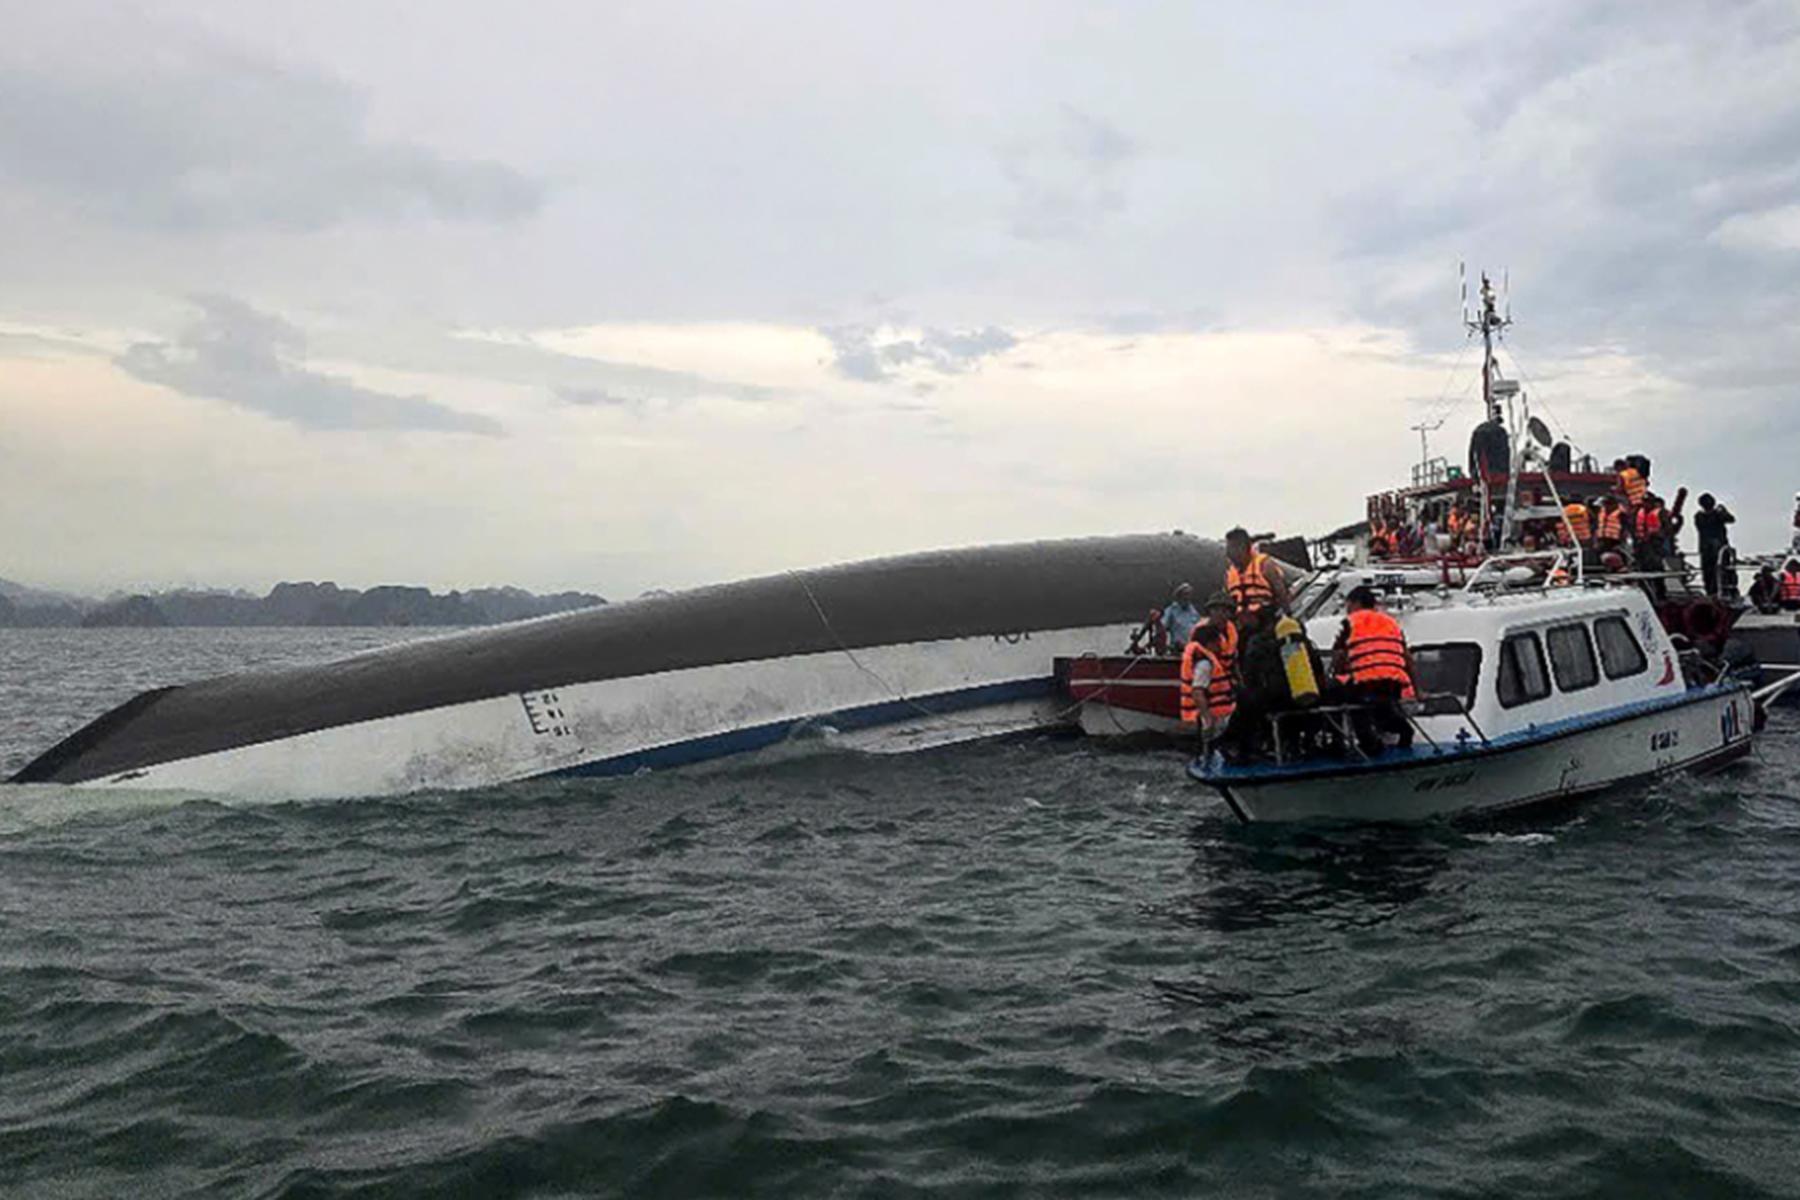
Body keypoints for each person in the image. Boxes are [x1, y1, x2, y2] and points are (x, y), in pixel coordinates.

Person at [1330, 586, 1416, 757]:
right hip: (1394, 682)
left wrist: (1337, 671)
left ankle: (1352, 743)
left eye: (1348, 604)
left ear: (1355, 603)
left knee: (1341, 698)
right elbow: (1408, 658)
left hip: (1366, 681)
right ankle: (1404, 730)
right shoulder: (1391, 623)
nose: (1347, 609)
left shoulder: (1350, 622)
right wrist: (1417, 689)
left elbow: (1339, 656)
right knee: (1383, 709)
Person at [1223, 527, 1290, 628]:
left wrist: (1289, 616)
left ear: (1242, 547)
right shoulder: (1229, 574)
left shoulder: (1264, 564)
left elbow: (1281, 592)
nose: (1228, 554)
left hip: (1266, 620)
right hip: (1241, 624)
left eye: (1230, 549)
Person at [1180, 622, 1235, 738]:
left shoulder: (1208, 662)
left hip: (1220, 714)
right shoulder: (1205, 665)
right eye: (1218, 642)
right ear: (1210, 644)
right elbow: (1197, 692)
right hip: (1216, 718)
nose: (1220, 646)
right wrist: (1207, 720)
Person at [1693, 493, 1736, 597]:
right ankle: (1721, 591)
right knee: (1720, 571)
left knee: (1711, 572)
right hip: (1716, 547)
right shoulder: (1715, 515)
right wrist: (1723, 511)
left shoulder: (1698, 516)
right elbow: (1731, 519)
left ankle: (1714, 591)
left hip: (1707, 548)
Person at [1159, 583, 1202, 648]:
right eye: (1185, 594)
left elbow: (1200, 630)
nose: (1187, 597)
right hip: (1176, 649)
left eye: (1188, 594)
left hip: (1191, 649)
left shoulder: (1194, 612)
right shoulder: (1171, 610)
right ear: (1179, 596)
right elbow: (1162, 627)